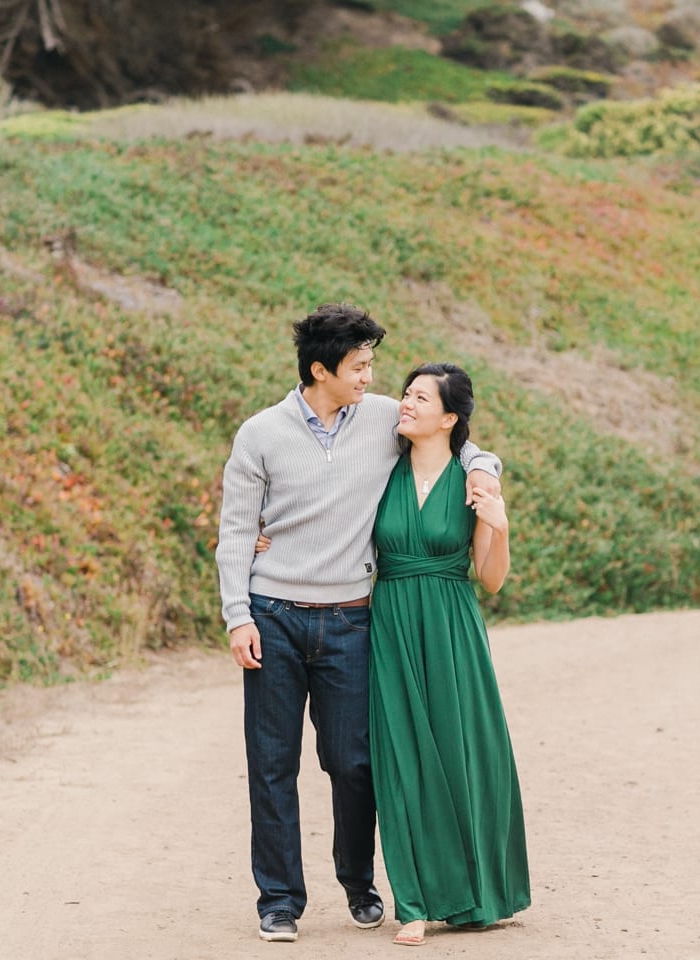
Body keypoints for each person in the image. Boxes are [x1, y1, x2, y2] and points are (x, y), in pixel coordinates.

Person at [214, 304, 502, 944]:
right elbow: (236, 531)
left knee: (354, 762)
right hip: (274, 616)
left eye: (372, 363)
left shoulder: (380, 420)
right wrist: (239, 616)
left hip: (351, 619)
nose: (373, 377)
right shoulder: (259, 433)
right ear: (322, 370)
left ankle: (358, 881)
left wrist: (485, 469)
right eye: (360, 366)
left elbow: (454, 439)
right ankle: (280, 901)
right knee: (271, 764)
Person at [369, 362, 530, 947]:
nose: (404, 404)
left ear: (450, 417)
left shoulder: (475, 480)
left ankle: (482, 892)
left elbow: (490, 580)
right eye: (406, 394)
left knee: (466, 752)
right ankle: (413, 903)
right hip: (389, 623)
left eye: (418, 397)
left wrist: (499, 525)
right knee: (401, 757)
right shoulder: (380, 468)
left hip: (452, 625)